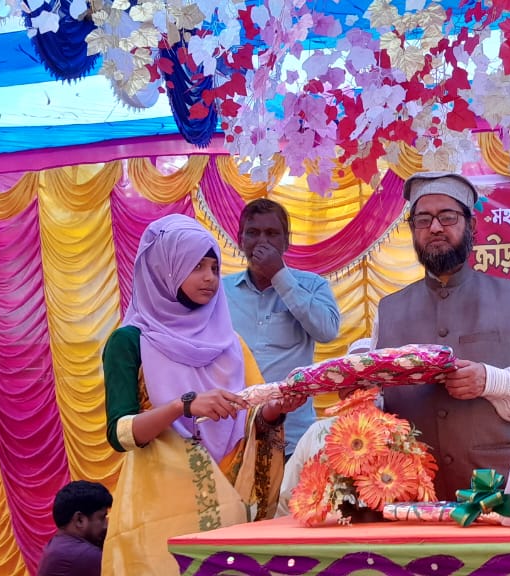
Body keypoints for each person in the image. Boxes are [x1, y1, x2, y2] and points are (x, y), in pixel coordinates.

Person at [101, 215, 303, 575]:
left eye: (214, 267)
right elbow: (121, 434)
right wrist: (184, 406)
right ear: (163, 268)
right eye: (195, 266)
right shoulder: (129, 341)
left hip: (229, 508)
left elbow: (250, 417)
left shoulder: (230, 344)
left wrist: (275, 410)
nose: (210, 277)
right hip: (158, 517)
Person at [373, 172, 510, 499]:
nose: (435, 227)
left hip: (495, 491)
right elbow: (376, 399)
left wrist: (490, 381)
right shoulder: (388, 309)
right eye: (423, 220)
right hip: (411, 492)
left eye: (447, 217)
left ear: (471, 226)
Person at [223, 198, 341, 457]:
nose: (262, 241)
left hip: (292, 437)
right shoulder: (221, 291)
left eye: (272, 233)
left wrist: (279, 275)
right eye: (253, 233)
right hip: (233, 434)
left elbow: (327, 331)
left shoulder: (312, 285)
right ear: (240, 240)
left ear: (286, 242)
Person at [276, 337, 374, 517]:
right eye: (352, 380)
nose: (361, 387)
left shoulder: (401, 433)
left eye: (370, 380)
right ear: (341, 391)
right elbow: (283, 501)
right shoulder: (317, 433)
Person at [38, 481, 112, 576]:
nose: (106, 525)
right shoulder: (84, 555)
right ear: (79, 520)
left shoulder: (58, 544)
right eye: (102, 517)